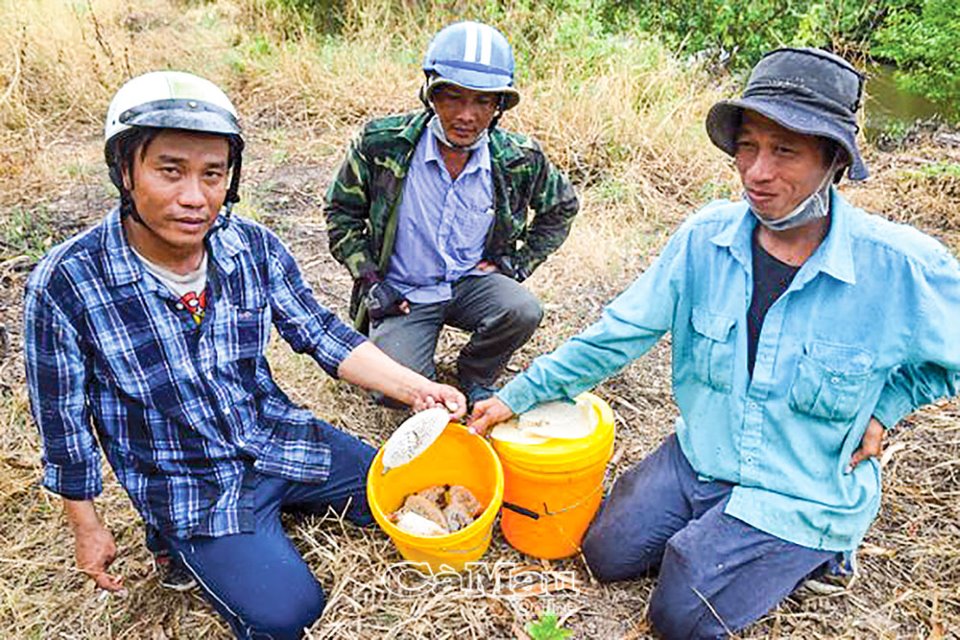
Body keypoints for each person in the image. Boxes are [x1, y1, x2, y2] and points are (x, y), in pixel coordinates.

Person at [469, 48, 960, 638]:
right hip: (703, 456)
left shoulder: (901, 268)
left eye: (785, 150)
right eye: (748, 147)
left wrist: (888, 406)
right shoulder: (705, 240)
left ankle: (821, 549)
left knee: (678, 616)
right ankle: (720, 530)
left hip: (799, 486)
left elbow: (947, 360)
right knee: (603, 553)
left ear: (834, 160)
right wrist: (517, 396)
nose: (756, 171)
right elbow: (618, 333)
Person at [23, 70, 465, 640]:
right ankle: (179, 545)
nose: (194, 197)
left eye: (213, 175)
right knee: (288, 615)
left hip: (273, 435)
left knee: (400, 491)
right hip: (189, 482)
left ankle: (268, 520)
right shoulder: (67, 281)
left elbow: (321, 333)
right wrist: (87, 524)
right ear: (125, 171)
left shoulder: (251, 246)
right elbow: (62, 424)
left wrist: (416, 389)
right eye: (170, 170)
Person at [324, 21, 579, 407]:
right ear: (430, 94)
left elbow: (561, 207)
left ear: (499, 106)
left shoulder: (518, 158)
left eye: (482, 101)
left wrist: (516, 265)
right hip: (405, 292)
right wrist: (372, 279)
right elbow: (341, 213)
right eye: (453, 98)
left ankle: (476, 372)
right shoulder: (382, 145)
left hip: (468, 282)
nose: (466, 115)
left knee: (523, 309)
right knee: (391, 393)